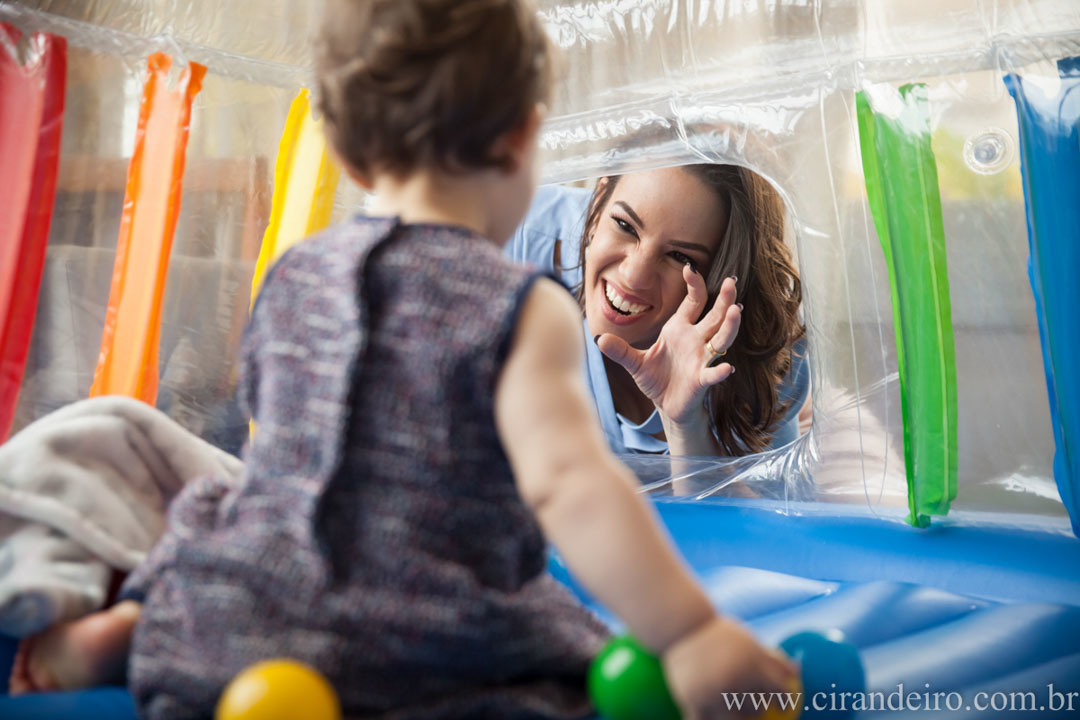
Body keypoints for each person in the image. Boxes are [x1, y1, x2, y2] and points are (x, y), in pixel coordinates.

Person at [8, 0, 797, 717]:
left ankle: (138, 631)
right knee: (565, 654)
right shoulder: (519, 310)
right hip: (417, 635)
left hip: (243, 614)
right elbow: (572, 487)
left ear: (348, 156)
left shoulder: (293, 275)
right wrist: (692, 633)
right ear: (522, 139)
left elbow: (276, 458)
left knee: (223, 538)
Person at [507, 167, 809, 457]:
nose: (632, 276)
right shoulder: (516, 233)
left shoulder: (760, 347)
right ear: (599, 203)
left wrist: (686, 428)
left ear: (720, 275)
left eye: (680, 257)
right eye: (625, 225)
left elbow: (762, 504)